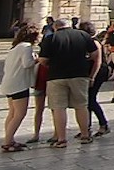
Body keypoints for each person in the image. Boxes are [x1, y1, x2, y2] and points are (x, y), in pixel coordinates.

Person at [38, 18, 101, 148]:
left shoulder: (50, 38)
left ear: (55, 27)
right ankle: (85, 135)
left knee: (59, 107)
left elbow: (43, 60)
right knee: (81, 105)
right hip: (80, 74)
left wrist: (51, 63)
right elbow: (95, 54)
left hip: (56, 76)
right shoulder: (83, 35)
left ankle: (61, 139)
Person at [0, 24, 39, 152]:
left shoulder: (14, 47)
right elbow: (27, 64)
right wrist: (37, 59)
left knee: (12, 113)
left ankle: (9, 138)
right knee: (19, 114)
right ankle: (7, 142)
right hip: (19, 84)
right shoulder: (26, 47)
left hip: (9, 82)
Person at [79, 21, 111, 138]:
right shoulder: (88, 42)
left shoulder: (94, 43)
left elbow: (97, 62)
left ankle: (104, 124)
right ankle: (86, 127)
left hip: (98, 73)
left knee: (91, 100)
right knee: (87, 101)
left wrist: (92, 77)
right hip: (92, 72)